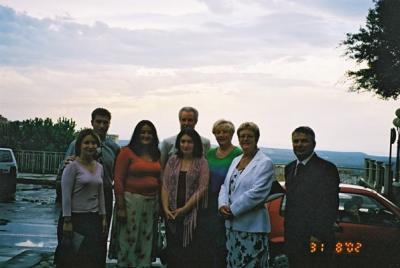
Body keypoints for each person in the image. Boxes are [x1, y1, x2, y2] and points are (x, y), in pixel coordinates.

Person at [218, 122, 274, 268]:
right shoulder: (236, 160)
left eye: (249, 136)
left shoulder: (265, 162)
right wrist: (222, 205)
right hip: (232, 228)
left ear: (257, 139)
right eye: (242, 136)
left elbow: (258, 193)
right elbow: (225, 186)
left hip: (252, 228)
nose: (245, 139)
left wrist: (232, 209)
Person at [284, 126, 340, 268]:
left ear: (313, 144)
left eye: (304, 141)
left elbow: (330, 204)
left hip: (315, 238)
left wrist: (318, 234)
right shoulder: (289, 168)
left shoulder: (326, 169)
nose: (299, 145)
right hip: (293, 237)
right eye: (295, 141)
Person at [108, 120, 162, 267]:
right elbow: (118, 180)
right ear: (137, 134)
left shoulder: (156, 154)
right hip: (130, 203)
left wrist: (160, 205)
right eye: (142, 132)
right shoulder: (126, 152)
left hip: (151, 204)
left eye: (149, 133)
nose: (146, 135)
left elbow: (160, 179)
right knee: (129, 240)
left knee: (146, 240)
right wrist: (120, 207)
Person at [55, 129, 107, 268]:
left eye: (94, 143)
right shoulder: (72, 166)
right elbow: (66, 195)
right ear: (79, 145)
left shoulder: (99, 167)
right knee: (73, 260)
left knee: (90, 260)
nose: (90, 146)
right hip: (75, 219)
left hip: (93, 219)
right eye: (87, 142)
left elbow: (100, 193)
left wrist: (103, 217)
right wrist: (67, 220)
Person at [161, 128, 209, 268]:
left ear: (196, 144)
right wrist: (165, 208)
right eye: (183, 141)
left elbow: (202, 188)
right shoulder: (173, 160)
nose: (186, 145)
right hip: (171, 214)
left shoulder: (201, 162)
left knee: (189, 254)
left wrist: (185, 208)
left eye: (189, 142)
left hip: (192, 216)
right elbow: (165, 185)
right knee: (173, 252)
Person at [198, 119, 242, 268]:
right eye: (218, 132)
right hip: (208, 203)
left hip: (228, 203)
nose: (221, 135)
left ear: (231, 134)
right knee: (207, 241)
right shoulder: (209, 153)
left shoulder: (238, 153)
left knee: (222, 244)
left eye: (225, 132)